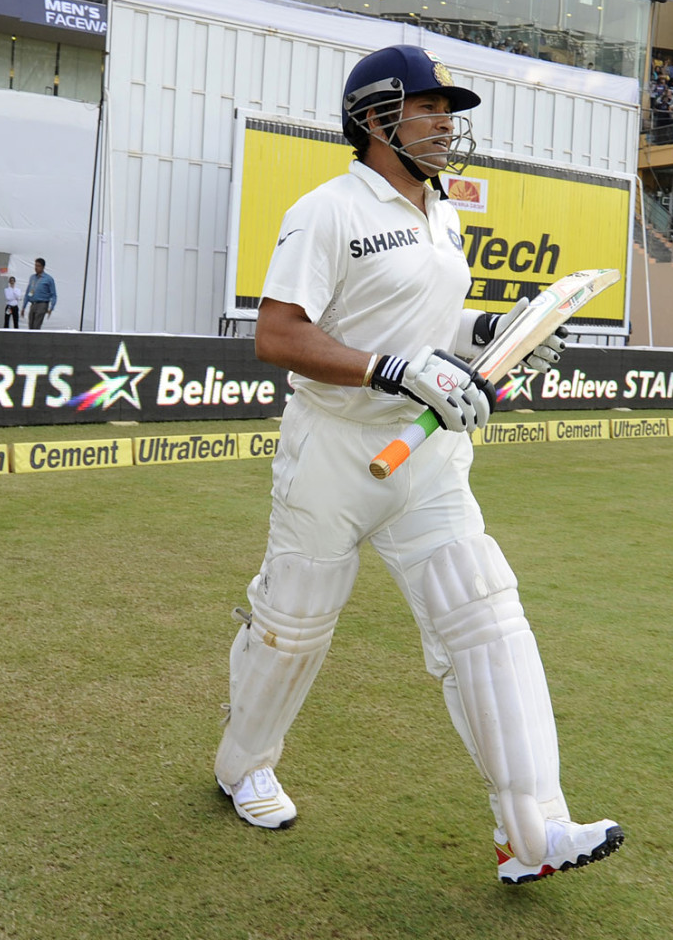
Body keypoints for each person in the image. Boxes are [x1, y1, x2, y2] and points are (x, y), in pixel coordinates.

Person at [214, 45, 624, 884]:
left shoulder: (444, 211)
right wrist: (387, 368)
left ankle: (533, 831)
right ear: (373, 117)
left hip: (428, 453)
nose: (447, 123)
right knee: (293, 630)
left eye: (450, 109)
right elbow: (277, 335)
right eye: (429, 107)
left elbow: (426, 324)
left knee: (486, 619)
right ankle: (240, 764)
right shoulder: (325, 210)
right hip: (333, 448)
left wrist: (489, 341)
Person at [21, 259, 56, 329]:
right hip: (33, 303)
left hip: (42, 303)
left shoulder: (48, 279)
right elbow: (28, 292)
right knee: (30, 324)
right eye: (35, 265)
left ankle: (35, 338)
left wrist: (51, 307)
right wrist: (24, 307)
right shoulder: (32, 278)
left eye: (38, 266)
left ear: (43, 267)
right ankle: (31, 339)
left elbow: (53, 294)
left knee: (36, 325)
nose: (36, 268)